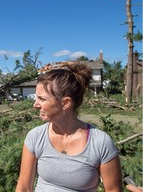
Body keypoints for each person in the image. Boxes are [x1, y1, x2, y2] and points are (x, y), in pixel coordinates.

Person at [16, 62, 123, 192]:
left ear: (65, 103)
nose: (35, 104)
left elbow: (113, 190)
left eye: (42, 99)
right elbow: (24, 187)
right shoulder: (35, 137)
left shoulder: (100, 143)